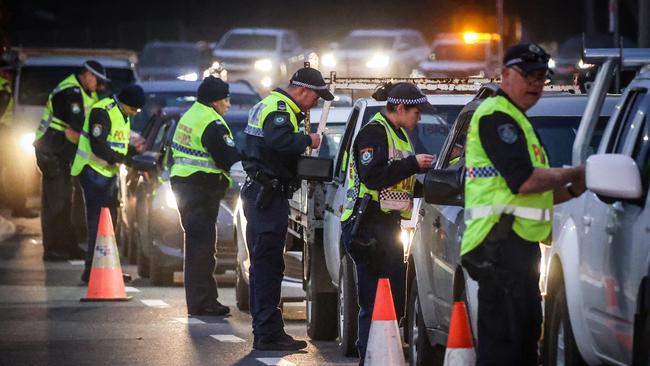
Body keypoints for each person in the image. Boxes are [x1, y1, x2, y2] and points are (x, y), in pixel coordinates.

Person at [460, 43, 586, 366]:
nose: (536, 83)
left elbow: (534, 192)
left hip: (518, 249)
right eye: (528, 74)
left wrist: (574, 189)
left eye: (542, 76)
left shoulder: (520, 120)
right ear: (504, 75)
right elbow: (523, 180)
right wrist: (574, 172)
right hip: (499, 246)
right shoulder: (496, 117)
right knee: (505, 347)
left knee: (524, 341)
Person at [339, 82, 435, 363]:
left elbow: (400, 182)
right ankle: (369, 358)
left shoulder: (399, 135)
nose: (419, 118)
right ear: (401, 108)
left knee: (391, 299)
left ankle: (383, 356)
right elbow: (374, 176)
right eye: (417, 112)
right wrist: (414, 164)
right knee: (374, 301)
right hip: (366, 226)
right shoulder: (373, 132)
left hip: (385, 225)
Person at [241, 67, 331, 351]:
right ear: (303, 91)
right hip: (267, 196)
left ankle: (267, 330)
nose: (315, 103)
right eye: (316, 97)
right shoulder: (280, 108)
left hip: (263, 194)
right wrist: (309, 140)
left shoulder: (271, 105)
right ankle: (267, 334)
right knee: (268, 266)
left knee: (265, 265)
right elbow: (278, 141)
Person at [170, 76, 241, 316]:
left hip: (186, 187)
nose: (228, 105)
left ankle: (203, 299)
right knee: (202, 249)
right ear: (215, 101)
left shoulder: (191, 115)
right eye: (226, 99)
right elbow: (227, 157)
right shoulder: (212, 122)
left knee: (197, 247)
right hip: (200, 190)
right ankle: (203, 302)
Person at [34, 60, 109, 261]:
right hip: (51, 152)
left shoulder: (85, 92)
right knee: (56, 202)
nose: (100, 86)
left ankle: (68, 246)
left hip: (61, 153)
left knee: (66, 201)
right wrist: (99, 149)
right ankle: (53, 249)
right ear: (87, 75)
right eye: (98, 81)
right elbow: (74, 131)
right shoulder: (71, 93)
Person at [70, 84, 146, 283]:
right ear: (125, 103)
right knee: (99, 223)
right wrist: (121, 158)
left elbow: (116, 143)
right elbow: (98, 145)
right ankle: (95, 270)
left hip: (107, 173)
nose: (135, 113)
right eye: (134, 109)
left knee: (108, 223)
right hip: (93, 172)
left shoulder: (122, 114)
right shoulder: (102, 111)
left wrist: (130, 154)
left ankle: (101, 268)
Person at [0, 59, 38, 219]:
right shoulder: (3, 88)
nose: (9, 75)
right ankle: (18, 207)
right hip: (3, 133)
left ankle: (13, 204)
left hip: (5, 132)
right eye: (7, 71)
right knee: (17, 171)